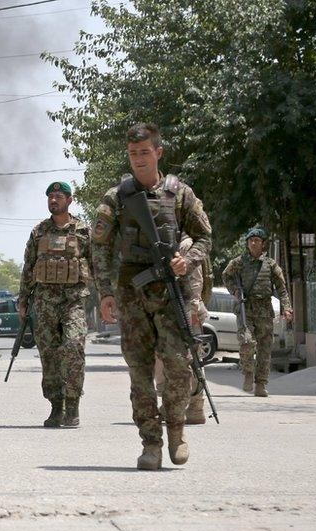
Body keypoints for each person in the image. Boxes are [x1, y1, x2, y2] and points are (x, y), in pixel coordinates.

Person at [91, 122, 212, 470]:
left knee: (178, 366)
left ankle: (176, 428)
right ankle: (151, 444)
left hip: (170, 293)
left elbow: (205, 237)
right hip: (132, 293)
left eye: (145, 153)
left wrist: (184, 261)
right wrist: (106, 293)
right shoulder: (117, 198)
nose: (139, 160)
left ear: (158, 152)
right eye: (133, 154)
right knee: (139, 372)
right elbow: (100, 249)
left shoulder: (181, 194)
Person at [17, 181, 92, 428]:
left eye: (58, 196)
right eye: (50, 196)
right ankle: (55, 407)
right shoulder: (39, 231)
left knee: (73, 347)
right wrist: (23, 300)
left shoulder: (83, 231)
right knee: (48, 354)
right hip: (45, 302)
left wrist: (109, 297)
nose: (53, 200)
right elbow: (28, 267)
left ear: (69, 200)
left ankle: (72, 406)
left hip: (73, 301)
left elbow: (97, 264)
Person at [222, 227, 293, 397]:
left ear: (263, 244)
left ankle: (261, 384)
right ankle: (248, 373)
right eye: (251, 240)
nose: (254, 243)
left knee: (265, 348)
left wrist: (287, 308)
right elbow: (226, 276)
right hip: (246, 309)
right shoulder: (238, 262)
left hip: (265, 310)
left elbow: (281, 289)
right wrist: (235, 291)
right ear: (247, 243)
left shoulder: (270, 265)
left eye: (257, 241)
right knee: (246, 342)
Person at [154, 235, 208, 425]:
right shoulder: (158, 238)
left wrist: (193, 310)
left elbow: (196, 280)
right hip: (165, 308)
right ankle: (169, 403)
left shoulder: (186, 244)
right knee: (162, 357)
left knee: (191, 358)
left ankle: (195, 405)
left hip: (186, 309)